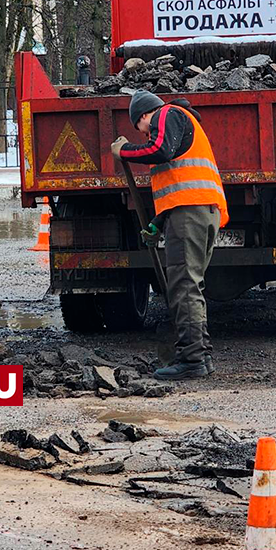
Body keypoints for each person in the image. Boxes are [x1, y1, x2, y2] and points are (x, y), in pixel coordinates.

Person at [111, 90, 229, 381]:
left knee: (185, 285)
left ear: (142, 117)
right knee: (190, 285)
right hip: (195, 210)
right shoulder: (179, 121)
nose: (142, 133)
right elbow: (178, 182)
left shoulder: (166, 115)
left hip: (192, 213)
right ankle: (199, 355)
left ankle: (193, 359)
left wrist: (124, 150)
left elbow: (161, 150)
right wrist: (158, 222)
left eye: (138, 127)